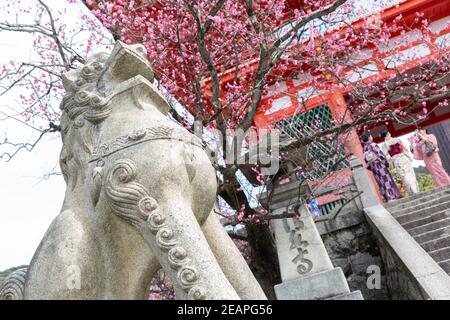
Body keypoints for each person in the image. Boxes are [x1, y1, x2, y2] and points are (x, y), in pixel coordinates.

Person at [361, 131, 401, 202]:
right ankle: (391, 196)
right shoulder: (373, 145)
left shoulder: (365, 148)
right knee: (386, 180)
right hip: (379, 165)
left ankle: (387, 198)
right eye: (370, 136)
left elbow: (366, 160)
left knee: (380, 182)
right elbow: (380, 155)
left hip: (373, 167)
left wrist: (371, 167)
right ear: (369, 137)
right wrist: (386, 163)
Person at [380, 129, 419, 195]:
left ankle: (411, 191)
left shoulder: (384, 145)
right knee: (410, 174)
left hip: (396, 160)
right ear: (388, 134)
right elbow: (405, 148)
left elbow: (386, 156)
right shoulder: (397, 139)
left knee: (404, 175)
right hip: (404, 157)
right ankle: (415, 190)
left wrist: (391, 160)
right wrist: (409, 157)